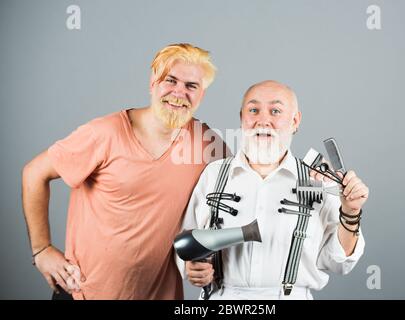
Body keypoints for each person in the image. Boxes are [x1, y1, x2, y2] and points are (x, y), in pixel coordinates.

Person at [22, 43, 228, 300]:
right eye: (170, 80)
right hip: (82, 292)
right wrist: (41, 250)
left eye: (191, 86)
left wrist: (206, 260)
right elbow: (34, 173)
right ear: (153, 82)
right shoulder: (105, 133)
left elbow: (240, 193)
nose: (179, 92)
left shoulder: (207, 143)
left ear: (201, 95)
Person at [177, 80, 369, 300]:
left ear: (295, 120)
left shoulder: (320, 181)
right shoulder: (213, 175)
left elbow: (340, 262)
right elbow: (186, 244)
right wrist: (193, 267)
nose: (263, 120)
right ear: (242, 118)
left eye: (275, 111)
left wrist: (351, 211)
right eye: (253, 110)